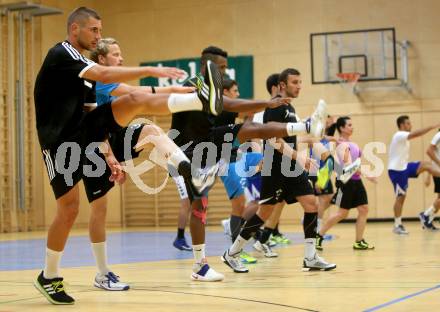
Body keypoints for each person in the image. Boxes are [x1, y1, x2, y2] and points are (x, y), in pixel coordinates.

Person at [33, 7, 224, 305]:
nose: (98, 36)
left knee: (136, 103)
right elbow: (106, 73)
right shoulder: (62, 53)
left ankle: (198, 100)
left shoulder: (83, 72)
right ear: (74, 29)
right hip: (58, 143)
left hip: (85, 134)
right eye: (94, 30)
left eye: (99, 30)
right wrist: (150, 69)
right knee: (69, 210)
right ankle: (49, 275)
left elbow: (92, 113)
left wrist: (107, 155)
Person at [170, 47, 328, 281]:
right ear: (206, 67)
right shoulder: (191, 85)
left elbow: (232, 105)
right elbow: (228, 105)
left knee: (249, 130)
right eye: (221, 68)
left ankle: (305, 126)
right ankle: (203, 263)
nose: (224, 72)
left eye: (225, 68)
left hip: (211, 140)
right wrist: (267, 104)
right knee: (200, 206)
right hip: (189, 150)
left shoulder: (215, 91)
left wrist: (266, 104)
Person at [222, 68, 336, 273]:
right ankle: (232, 252)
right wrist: (298, 156)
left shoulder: (290, 109)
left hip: (290, 167)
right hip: (275, 167)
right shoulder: (275, 107)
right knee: (263, 212)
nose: (299, 86)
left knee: (311, 203)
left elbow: (293, 136)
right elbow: (273, 139)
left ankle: (310, 257)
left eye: (300, 82)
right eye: (295, 82)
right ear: (282, 85)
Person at [90, 37, 197, 255]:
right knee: (98, 210)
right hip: (96, 145)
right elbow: (135, 94)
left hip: (114, 136)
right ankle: (102, 272)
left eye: (121, 54)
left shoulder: (108, 82)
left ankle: (184, 165)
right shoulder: (100, 80)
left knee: (150, 130)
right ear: (102, 58)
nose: (121, 59)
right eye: (116, 55)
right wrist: (176, 91)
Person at [315, 116, 376, 250]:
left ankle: (359, 241)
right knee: (342, 213)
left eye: (351, 125)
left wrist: (362, 172)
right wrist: (367, 174)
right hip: (345, 182)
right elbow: (349, 166)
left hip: (356, 181)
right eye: (349, 125)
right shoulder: (341, 145)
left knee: (363, 209)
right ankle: (318, 236)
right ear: (341, 128)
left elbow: (356, 163)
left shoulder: (352, 144)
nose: (351, 127)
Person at [388, 115, 440, 235]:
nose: (410, 125)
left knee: (425, 164)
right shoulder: (399, 135)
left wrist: (428, 175)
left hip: (405, 167)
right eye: (408, 123)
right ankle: (397, 225)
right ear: (401, 125)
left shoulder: (404, 138)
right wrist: (432, 126)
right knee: (401, 197)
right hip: (396, 171)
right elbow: (418, 134)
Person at [419, 130, 440, 230]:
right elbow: (429, 151)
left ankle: (427, 221)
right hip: (438, 171)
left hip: (436, 170)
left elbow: (433, 154)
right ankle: (426, 215)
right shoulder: (438, 135)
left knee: (439, 199)